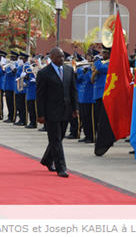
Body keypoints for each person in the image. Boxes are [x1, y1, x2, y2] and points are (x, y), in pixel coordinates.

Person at [37, 47, 79, 178]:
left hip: (66, 110)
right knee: (55, 139)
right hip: (51, 112)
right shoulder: (44, 73)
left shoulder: (68, 70)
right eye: (59, 57)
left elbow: (73, 91)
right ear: (52, 57)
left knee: (58, 138)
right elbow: (40, 95)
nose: (62, 59)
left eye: (63, 57)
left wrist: (75, 108)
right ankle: (61, 167)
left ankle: (47, 159)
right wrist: (41, 114)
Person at [4, 50, 19, 123]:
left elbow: (15, 73)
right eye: (11, 57)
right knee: (9, 103)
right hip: (7, 86)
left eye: (13, 57)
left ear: (16, 58)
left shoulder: (17, 64)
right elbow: (6, 72)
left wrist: (13, 71)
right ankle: (9, 116)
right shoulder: (9, 65)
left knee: (13, 103)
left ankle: (13, 118)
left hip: (13, 86)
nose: (11, 58)